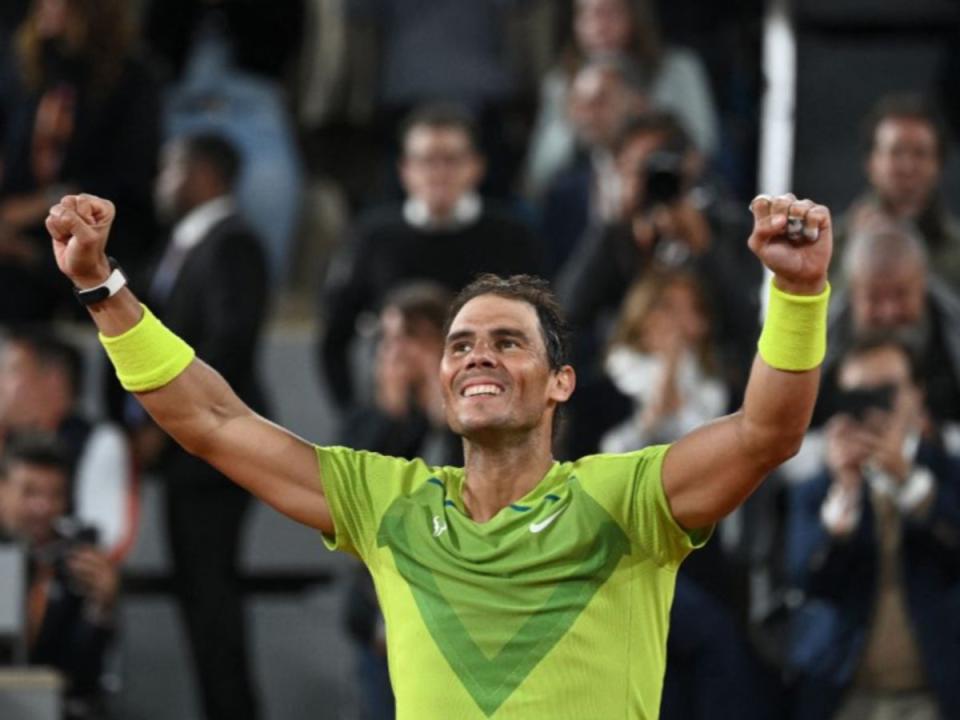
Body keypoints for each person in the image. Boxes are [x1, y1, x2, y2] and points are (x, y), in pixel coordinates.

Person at [45, 188, 831, 718]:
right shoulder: (385, 501)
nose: (476, 356)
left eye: (506, 342)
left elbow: (767, 433)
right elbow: (211, 420)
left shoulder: (626, 500)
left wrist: (797, 297)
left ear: (561, 383)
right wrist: (102, 288)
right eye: (460, 345)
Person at [135, 131, 269, 720]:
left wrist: (165, 422)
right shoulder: (184, 244)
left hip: (213, 455)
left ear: (207, 173)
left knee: (213, 603)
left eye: (172, 167)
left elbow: (226, 345)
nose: (162, 181)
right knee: (201, 602)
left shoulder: (232, 243)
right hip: (191, 452)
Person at [317, 102, 541, 412]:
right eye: (426, 160)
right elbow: (334, 335)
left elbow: (544, 327)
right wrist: (354, 411)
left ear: (476, 166)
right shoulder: (373, 236)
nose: (438, 173)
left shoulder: (513, 236)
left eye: (451, 160)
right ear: (405, 170)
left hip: (491, 406)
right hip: (394, 406)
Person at [787, 337, 960, 719]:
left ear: (917, 395)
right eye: (858, 396)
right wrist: (844, 494)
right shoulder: (818, 490)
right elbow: (807, 581)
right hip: (844, 695)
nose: (874, 406)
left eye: (886, 391)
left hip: (939, 693)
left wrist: (911, 483)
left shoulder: (949, 473)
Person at [0, 0, 160, 322]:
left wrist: (36, 210)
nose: (42, 6)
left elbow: (129, 179)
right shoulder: (27, 68)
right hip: (20, 231)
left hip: (99, 230)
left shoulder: (134, 79)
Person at [524, 0, 718, 198]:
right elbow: (538, 177)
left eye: (611, 13)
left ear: (635, 16)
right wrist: (573, 124)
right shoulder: (562, 83)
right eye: (587, 14)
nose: (599, 26)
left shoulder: (677, 69)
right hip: (588, 198)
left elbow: (702, 149)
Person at [0, 432, 119, 719]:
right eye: (29, 492)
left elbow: (82, 676)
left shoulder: (78, 562)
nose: (42, 507)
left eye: (55, 495)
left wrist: (101, 607)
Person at [0, 328, 137, 561]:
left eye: (12, 371)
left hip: (62, 580)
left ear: (52, 380)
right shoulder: (8, 439)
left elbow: (107, 537)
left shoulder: (99, 440)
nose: (2, 384)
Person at [820, 219, 960, 428]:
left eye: (901, 294)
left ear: (922, 285)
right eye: (874, 298)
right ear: (854, 293)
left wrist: (928, 444)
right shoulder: (818, 343)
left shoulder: (952, 334)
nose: (889, 312)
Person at [835, 94, 960, 292]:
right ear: (871, 163)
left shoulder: (956, 251)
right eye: (896, 152)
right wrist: (855, 254)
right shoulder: (833, 246)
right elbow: (818, 316)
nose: (907, 166)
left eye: (920, 153)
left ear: (938, 165)